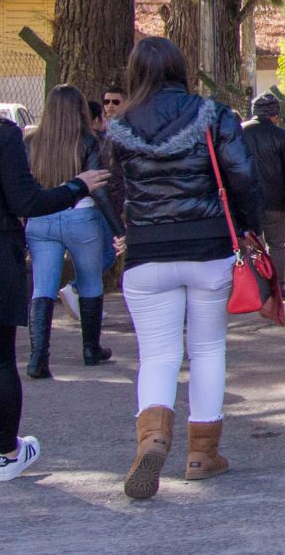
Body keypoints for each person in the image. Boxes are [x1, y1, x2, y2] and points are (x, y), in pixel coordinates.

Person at [102, 36, 262, 500]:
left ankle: (152, 438)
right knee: (208, 350)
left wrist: (122, 226)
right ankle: (202, 455)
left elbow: (105, 184)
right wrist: (249, 228)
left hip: (147, 252)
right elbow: (242, 174)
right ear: (179, 68)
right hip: (207, 246)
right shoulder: (212, 115)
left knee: (158, 355)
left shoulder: (118, 126)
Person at [0, 43, 109, 480]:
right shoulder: (0, 135)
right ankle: (8, 455)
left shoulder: (12, 134)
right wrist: (77, 187)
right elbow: (26, 200)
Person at [23, 83, 113, 378]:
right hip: (81, 217)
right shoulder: (89, 140)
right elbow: (98, 188)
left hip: (41, 219)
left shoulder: (32, 141)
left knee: (42, 288)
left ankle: (38, 358)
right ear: (80, 111)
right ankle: (90, 349)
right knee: (90, 283)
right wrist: (118, 227)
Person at [240, 94, 285, 286]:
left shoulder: (240, 132)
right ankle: (277, 287)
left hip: (248, 202)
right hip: (275, 199)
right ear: (275, 114)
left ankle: (257, 288)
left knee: (253, 246)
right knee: (277, 246)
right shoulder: (282, 135)